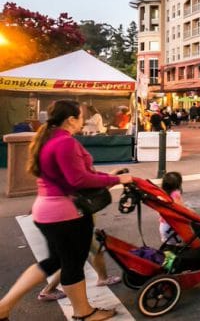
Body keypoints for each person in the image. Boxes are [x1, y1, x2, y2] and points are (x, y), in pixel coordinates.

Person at [0, 100, 132, 321]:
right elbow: (78, 179)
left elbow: (74, 175)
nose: (84, 120)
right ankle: (84, 312)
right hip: (66, 213)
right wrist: (118, 179)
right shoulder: (65, 143)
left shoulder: (48, 139)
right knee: (72, 263)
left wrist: (108, 176)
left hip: (46, 210)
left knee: (53, 262)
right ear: (71, 120)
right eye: (81, 116)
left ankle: (4, 306)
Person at [159, 172, 185, 245]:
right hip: (172, 226)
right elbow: (181, 209)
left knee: (168, 247)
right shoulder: (175, 194)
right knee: (176, 248)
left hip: (163, 225)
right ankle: (172, 256)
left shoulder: (162, 193)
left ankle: (167, 256)